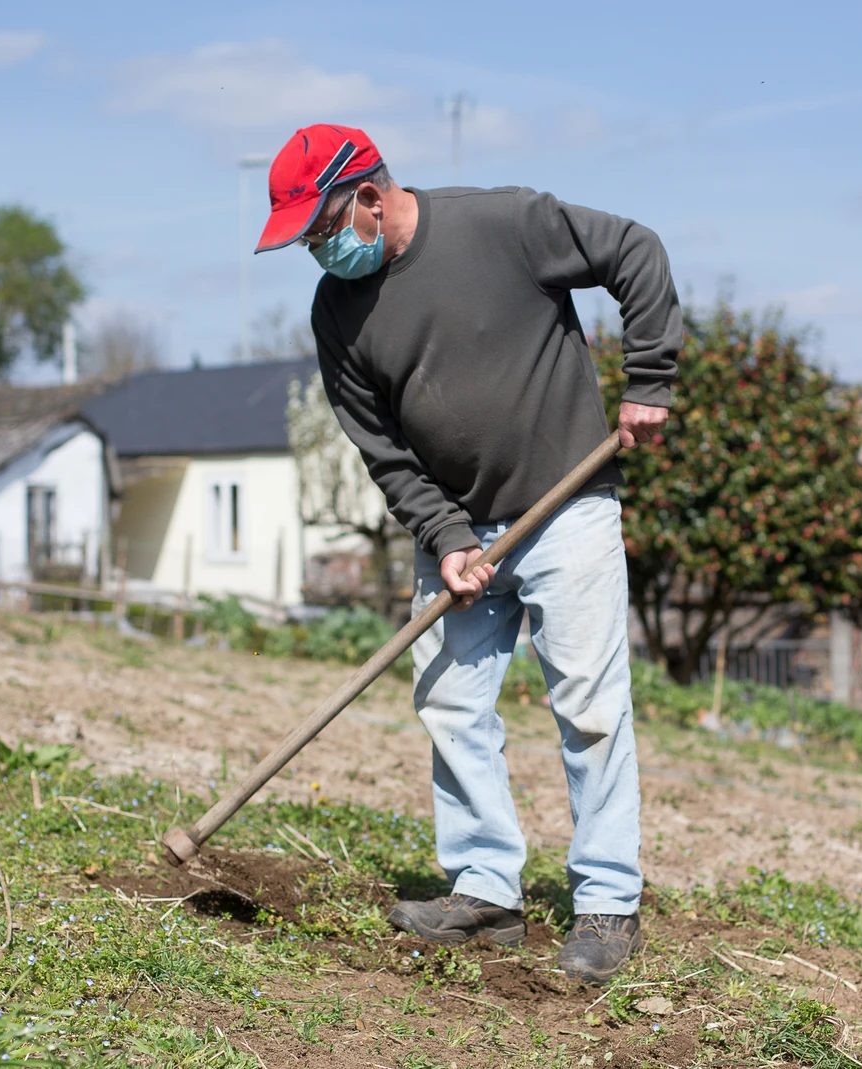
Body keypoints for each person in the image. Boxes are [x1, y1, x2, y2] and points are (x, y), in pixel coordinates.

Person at [254, 124, 681, 983]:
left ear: (369, 198)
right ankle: (485, 890)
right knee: (450, 703)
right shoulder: (337, 311)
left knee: (591, 709)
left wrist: (648, 379)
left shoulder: (503, 224)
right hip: (459, 530)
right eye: (303, 239)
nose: (316, 249)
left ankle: (606, 901)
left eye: (321, 228)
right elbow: (381, 448)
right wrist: (445, 538)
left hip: (568, 506)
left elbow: (635, 251)